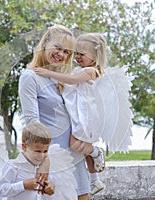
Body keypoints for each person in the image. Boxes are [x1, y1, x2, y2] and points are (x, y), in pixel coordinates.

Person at [34, 33, 133, 195]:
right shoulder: (82, 69)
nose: (77, 57)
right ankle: (95, 180)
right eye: (77, 53)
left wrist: (48, 73)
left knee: (76, 144)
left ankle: (96, 153)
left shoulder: (91, 71)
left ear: (94, 56)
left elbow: (71, 81)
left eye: (82, 54)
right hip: (80, 115)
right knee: (80, 148)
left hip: (87, 117)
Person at [19, 25, 94, 200]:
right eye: (58, 48)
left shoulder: (62, 79)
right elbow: (32, 123)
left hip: (73, 156)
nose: (62, 55)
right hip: (50, 158)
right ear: (45, 44)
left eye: (67, 52)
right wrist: (44, 160)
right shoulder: (30, 77)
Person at [0, 122, 77, 200]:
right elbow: (1, 190)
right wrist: (23, 185)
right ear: (24, 147)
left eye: (45, 151)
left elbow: (43, 192)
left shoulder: (42, 168)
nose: (42, 155)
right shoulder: (14, 167)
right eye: (37, 151)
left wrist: (50, 189)